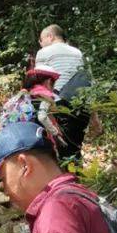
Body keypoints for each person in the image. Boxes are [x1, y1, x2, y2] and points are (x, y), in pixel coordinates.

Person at [35, 25, 92, 163]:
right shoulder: (78, 52)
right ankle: (77, 180)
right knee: (75, 148)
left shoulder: (44, 52)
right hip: (82, 104)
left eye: (42, 40)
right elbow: (89, 81)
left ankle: (66, 181)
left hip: (58, 103)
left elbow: (40, 82)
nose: (41, 44)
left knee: (62, 151)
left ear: (51, 36)